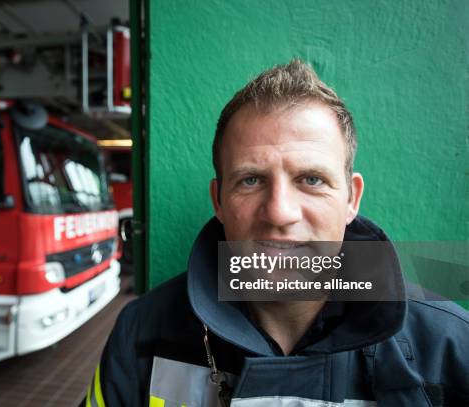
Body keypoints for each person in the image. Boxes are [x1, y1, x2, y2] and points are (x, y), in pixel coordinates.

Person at [84, 59, 469, 406]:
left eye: (312, 179)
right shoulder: (141, 331)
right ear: (218, 201)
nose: (280, 212)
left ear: (352, 199)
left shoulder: (449, 343)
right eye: (251, 180)